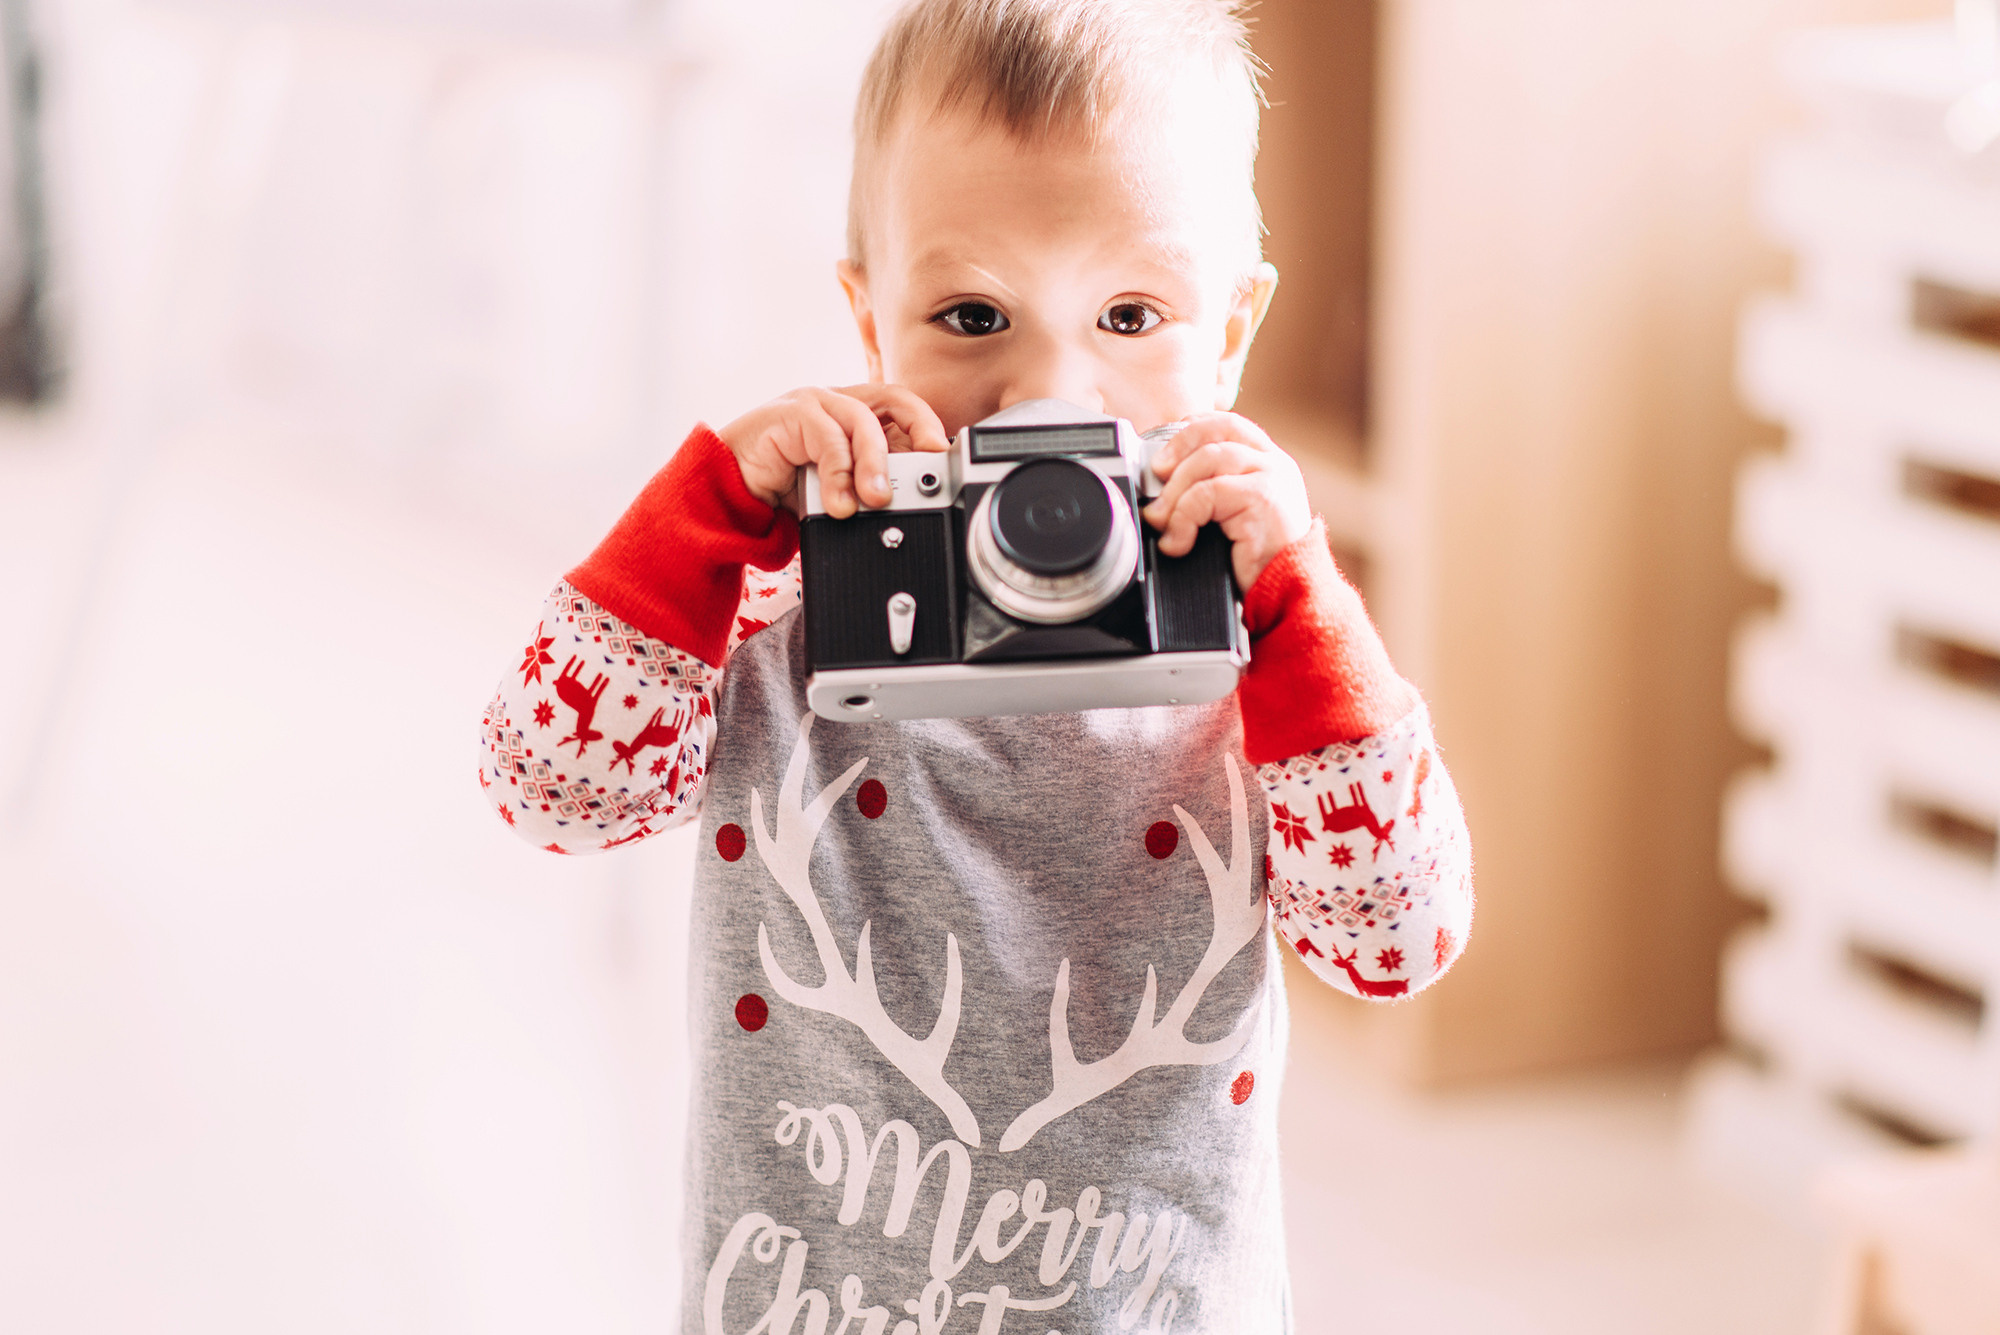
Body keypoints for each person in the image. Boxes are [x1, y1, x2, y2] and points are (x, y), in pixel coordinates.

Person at [480, 0, 1473, 1327]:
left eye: (1131, 313)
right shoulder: (793, 612)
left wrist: (1298, 603)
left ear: (1230, 332)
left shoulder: (1256, 662)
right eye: (971, 313)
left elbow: (1396, 943)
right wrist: (710, 513)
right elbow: (550, 789)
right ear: (870, 318)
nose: (1048, 394)